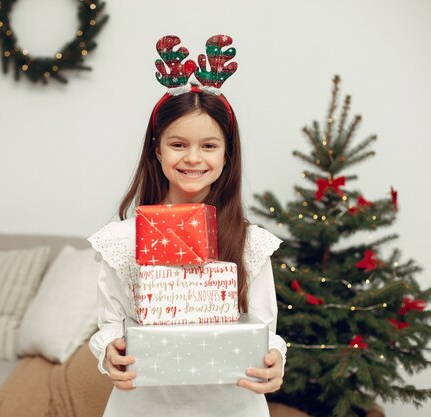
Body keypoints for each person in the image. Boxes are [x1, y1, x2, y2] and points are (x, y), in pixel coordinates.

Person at [88, 35, 286, 417]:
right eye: (178, 144)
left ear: (228, 154)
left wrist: (274, 356)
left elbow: (264, 329)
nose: (193, 158)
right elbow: (110, 322)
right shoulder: (122, 241)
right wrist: (110, 350)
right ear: (156, 149)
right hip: (143, 407)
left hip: (231, 407)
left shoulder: (249, 243)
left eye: (209, 146)